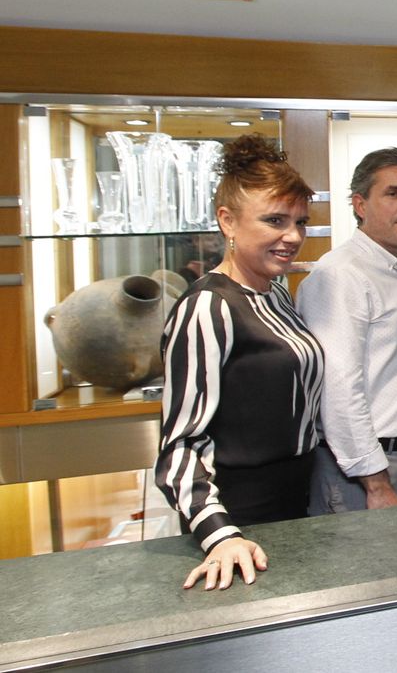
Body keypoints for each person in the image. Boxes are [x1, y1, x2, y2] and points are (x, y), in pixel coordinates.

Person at [154, 134, 322, 591]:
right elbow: (178, 448)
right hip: (240, 518)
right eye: (274, 220)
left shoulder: (276, 294)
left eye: (299, 222)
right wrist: (219, 535)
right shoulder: (208, 306)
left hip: (296, 499)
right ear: (227, 221)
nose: (292, 236)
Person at [298, 147, 397, 514]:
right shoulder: (341, 274)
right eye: (394, 193)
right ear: (359, 204)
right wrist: (376, 481)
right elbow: (339, 388)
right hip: (365, 472)